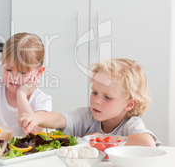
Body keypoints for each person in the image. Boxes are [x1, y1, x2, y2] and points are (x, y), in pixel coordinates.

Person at [19, 58, 160, 147]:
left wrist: (103, 138)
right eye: (94, 93)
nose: (97, 101)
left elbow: (147, 142)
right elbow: (59, 119)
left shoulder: (131, 125)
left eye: (107, 97)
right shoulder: (86, 116)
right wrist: (37, 118)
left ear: (129, 104)